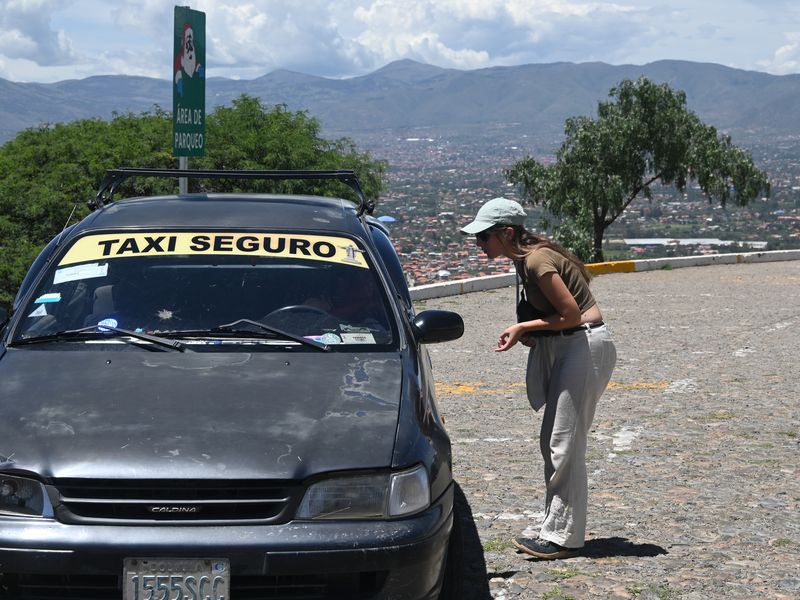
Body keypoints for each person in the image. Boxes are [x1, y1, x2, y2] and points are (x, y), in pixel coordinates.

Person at [461, 197, 617, 560]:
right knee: (554, 440)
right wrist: (535, 333)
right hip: (569, 345)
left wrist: (522, 327)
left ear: (507, 233)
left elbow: (572, 314)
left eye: (484, 237)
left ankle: (564, 537)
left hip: (583, 345)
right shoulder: (526, 260)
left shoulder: (535, 260)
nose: (479, 244)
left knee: (564, 443)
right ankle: (555, 525)